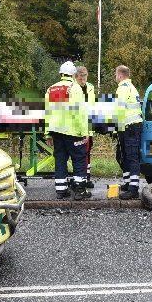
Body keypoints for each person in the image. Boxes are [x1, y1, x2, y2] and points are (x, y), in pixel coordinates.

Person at [44, 61, 91, 201]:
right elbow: (80, 113)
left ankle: (61, 190)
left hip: (56, 132)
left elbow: (48, 113)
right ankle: (80, 191)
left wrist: (47, 133)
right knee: (79, 159)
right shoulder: (75, 88)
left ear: (61, 74)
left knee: (60, 159)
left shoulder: (51, 89)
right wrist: (85, 132)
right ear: (73, 74)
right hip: (73, 131)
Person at [114, 65, 143, 200]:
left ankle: (133, 188)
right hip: (132, 126)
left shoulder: (123, 88)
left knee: (131, 157)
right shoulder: (132, 88)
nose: (115, 77)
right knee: (125, 155)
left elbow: (119, 110)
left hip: (129, 126)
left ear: (120, 75)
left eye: (116, 74)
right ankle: (128, 183)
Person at [75, 66, 96, 189]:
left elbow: (92, 106)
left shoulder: (90, 87)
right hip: (77, 126)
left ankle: (87, 177)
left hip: (88, 124)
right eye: (81, 78)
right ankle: (80, 178)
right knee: (80, 153)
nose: (83, 80)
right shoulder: (73, 88)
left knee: (87, 152)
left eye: (85, 77)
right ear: (76, 77)